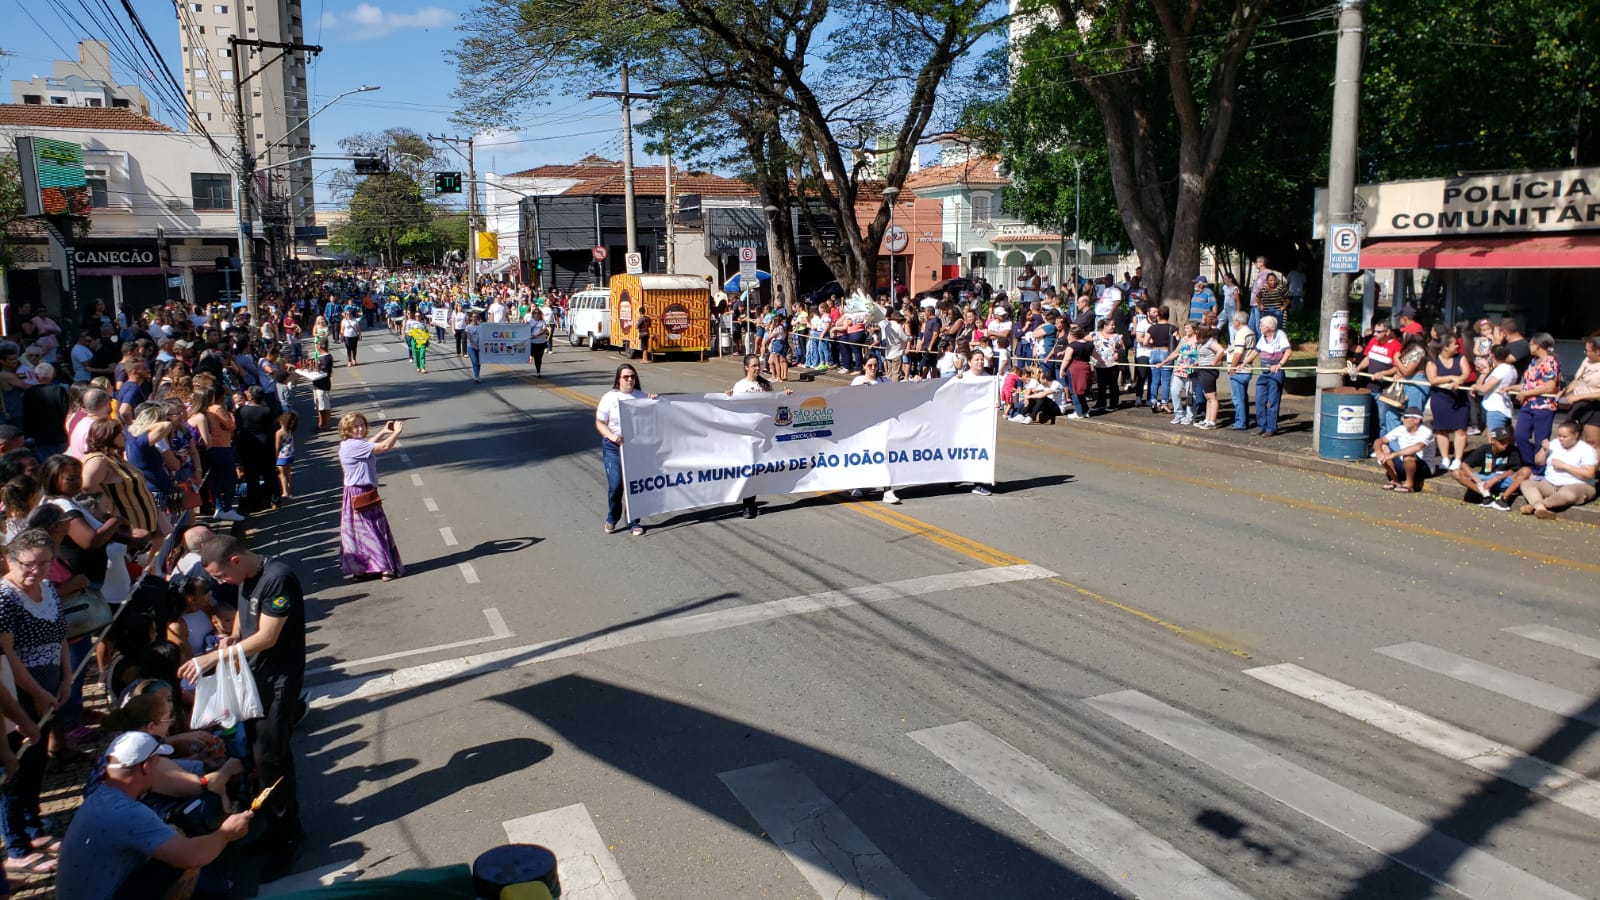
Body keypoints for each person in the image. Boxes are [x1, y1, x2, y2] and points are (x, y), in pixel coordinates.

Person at [179, 534, 307, 881]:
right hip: (255, 680)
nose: (221, 583)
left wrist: (214, 657)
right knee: (261, 756)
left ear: (234, 560)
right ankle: (279, 825)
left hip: (278, 681)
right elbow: (243, 614)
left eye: (221, 576)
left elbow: (267, 636)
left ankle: (287, 837)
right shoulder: (245, 578)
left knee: (270, 758)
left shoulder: (277, 578)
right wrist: (233, 636)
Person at [55, 732, 253, 899]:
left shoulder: (100, 797)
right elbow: (191, 856)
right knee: (184, 860)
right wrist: (226, 833)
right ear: (145, 767)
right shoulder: (127, 811)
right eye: (157, 762)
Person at [0, 529, 70, 873]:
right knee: (16, 767)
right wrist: (37, 693)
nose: (37, 570)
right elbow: (8, 655)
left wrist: (66, 678)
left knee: (36, 763)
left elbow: (61, 637)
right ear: (10, 561)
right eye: (29, 564)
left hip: (51, 684)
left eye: (45, 563)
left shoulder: (47, 588)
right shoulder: (4, 598)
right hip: (20, 691)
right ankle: (15, 845)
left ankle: (33, 827)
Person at [336, 412, 404, 580]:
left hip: (355, 492)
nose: (360, 429)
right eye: (355, 426)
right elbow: (384, 447)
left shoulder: (350, 444)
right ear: (347, 429)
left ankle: (362, 569)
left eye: (362, 425)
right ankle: (384, 567)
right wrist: (397, 432)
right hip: (361, 492)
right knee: (373, 530)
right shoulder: (354, 446)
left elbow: (367, 445)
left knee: (358, 533)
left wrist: (383, 431)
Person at [597, 364, 654, 534]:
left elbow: (654, 416)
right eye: (626, 377)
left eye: (632, 376)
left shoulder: (641, 396)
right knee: (616, 485)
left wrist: (654, 401)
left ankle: (633, 521)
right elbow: (600, 422)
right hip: (613, 447)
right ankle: (612, 517)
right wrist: (612, 436)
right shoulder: (609, 397)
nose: (630, 380)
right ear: (618, 379)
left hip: (635, 448)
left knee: (633, 485)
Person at [1516, 419, 1598, 519]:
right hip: (1551, 484)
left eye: (1565, 436)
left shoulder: (1586, 450)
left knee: (1568, 494)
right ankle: (1540, 509)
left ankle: (1538, 505)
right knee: (1526, 484)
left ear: (1575, 435)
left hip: (1576, 485)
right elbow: (1538, 462)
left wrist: (1565, 466)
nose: (1561, 439)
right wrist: (1544, 450)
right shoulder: (1555, 444)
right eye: (1559, 436)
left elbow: (1589, 474)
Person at [1511, 333, 1561, 466]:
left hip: (1543, 406)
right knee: (1520, 436)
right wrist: (1511, 387)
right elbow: (1530, 384)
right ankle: (1529, 463)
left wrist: (1526, 393)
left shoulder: (1550, 362)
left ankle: (1539, 468)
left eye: (1531, 344)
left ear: (1539, 345)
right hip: (1528, 404)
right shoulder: (1533, 361)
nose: (1529, 346)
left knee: (1541, 439)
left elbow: (1549, 387)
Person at [1451, 427, 1526, 510]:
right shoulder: (1484, 449)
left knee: (1526, 471)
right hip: (1485, 478)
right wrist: (1477, 480)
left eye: (1507, 441)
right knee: (1457, 473)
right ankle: (1486, 496)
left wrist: (1496, 479)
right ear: (1493, 441)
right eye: (1501, 441)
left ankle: (1503, 499)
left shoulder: (1513, 450)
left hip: (1503, 479)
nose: (1505, 444)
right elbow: (1465, 464)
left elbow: (1514, 470)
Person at [1426, 337, 1470, 470]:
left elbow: (1466, 374)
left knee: (1461, 429)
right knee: (1442, 429)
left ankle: (1458, 458)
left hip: (1459, 398)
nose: (1457, 346)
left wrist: (1459, 380)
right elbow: (1433, 380)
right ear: (1445, 347)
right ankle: (1445, 458)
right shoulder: (1432, 361)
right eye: (1454, 344)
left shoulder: (1461, 358)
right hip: (1440, 398)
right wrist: (1451, 377)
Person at [1375, 407, 1436, 492]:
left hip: (1424, 467)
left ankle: (1409, 484)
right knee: (1384, 448)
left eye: (1406, 417)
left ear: (1416, 420)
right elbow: (1380, 440)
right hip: (1404, 464)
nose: (1402, 419)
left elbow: (1417, 447)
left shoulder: (1426, 431)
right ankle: (1395, 480)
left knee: (1408, 456)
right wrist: (1379, 452)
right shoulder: (1401, 428)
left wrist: (1393, 455)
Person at [1557, 332, 1600, 450]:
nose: (1585, 353)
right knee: (1568, 435)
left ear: (1598, 351)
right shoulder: (1587, 360)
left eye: (1588, 351)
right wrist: (1565, 391)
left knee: (1592, 442)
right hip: (1579, 405)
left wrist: (1579, 397)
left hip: (1595, 406)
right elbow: (1578, 380)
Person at [1473, 345, 1518, 434]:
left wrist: (1474, 386)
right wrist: (1484, 374)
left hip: (1496, 408)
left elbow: (1484, 388)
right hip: (1504, 407)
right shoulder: (1511, 369)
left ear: (1491, 354)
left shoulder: (1501, 369)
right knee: (1504, 436)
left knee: (1494, 438)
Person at [1224, 312, 1256, 430]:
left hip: (1239, 370)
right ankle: (1243, 420)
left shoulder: (1241, 334)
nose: (1232, 323)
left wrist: (1232, 368)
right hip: (1246, 368)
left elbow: (1238, 353)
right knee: (1242, 397)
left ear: (1237, 322)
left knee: (1237, 398)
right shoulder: (1251, 332)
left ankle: (1240, 422)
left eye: (1233, 321)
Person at [1193, 325, 1225, 429]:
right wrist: (1196, 363)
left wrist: (1214, 362)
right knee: (1208, 397)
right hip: (1202, 370)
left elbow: (1221, 350)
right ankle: (1207, 419)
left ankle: (1212, 422)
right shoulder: (1202, 343)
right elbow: (1203, 356)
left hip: (1208, 371)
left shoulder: (1211, 342)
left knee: (1212, 397)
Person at [275, 411, 297, 502]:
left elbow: (277, 447)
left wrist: (275, 456)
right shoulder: (290, 430)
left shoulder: (279, 432)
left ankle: (285, 493)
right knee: (288, 473)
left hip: (282, 455)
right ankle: (289, 491)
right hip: (290, 453)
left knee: (282, 474)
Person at [527, 306, 551, 376]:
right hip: (533, 342)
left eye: (538, 313)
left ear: (540, 314)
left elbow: (544, 330)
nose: (536, 314)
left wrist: (536, 335)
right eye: (535, 313)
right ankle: (538, 370)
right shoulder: (530, 322)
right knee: (536, 356)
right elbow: (525, 330)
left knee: (539, 357)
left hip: (541, 342)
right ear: (533, 314)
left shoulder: (542, 321)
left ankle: (538, 370)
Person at [465, 310, 484, 383]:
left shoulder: (481, 326)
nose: (475, 318)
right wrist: (474, 345)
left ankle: (477, 375)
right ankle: (476, 377)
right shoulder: (468, 327)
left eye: (477, 317)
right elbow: (469, 337)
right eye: (474, 317)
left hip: (480, 346)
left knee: (479, 362)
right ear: (471, 318)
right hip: (471, 347)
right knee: (475, 361)